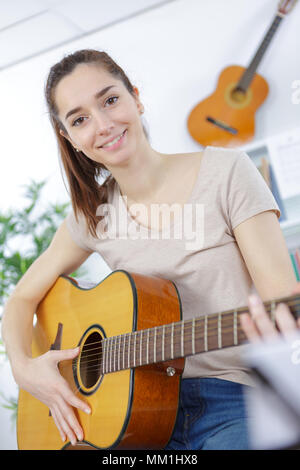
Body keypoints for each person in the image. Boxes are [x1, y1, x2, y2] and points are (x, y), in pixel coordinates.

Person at [1, 49, 298, 450]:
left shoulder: (227, 173)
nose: (103, 124)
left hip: (235, 400)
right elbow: (20, 300)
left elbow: (284, 304)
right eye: (79, 119)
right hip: (137, 418)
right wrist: (25, 370)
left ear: (136, 98)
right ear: (69, 138)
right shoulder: (92, 216)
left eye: (110, 100)